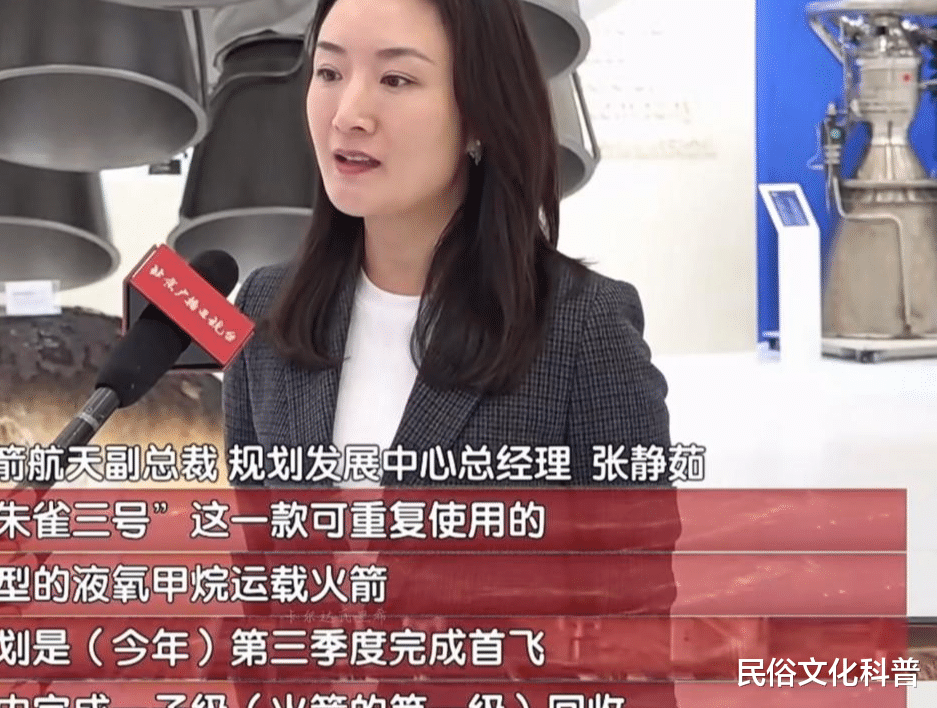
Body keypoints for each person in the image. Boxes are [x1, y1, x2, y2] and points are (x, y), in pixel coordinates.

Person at [222, 0, 681, 695]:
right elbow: (265, 583)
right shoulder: (267, 310)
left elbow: (631, 636)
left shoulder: (581, 328)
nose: (349, 113)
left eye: (396, 80)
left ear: (479, 115)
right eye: (329, 72)